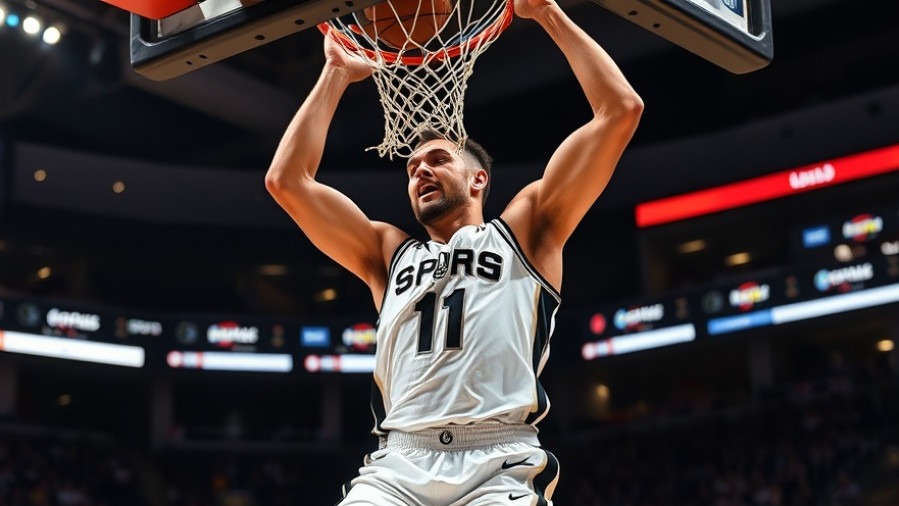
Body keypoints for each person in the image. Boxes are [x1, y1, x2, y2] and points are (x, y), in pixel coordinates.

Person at [265, 0, 643, 502]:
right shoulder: (387, 252)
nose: (420, 170)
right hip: (397, 462)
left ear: (478, 179)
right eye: (412, 166)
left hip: (499, 458)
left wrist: (548, 13)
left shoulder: (527, 230)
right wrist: (334, 73)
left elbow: (621, 111)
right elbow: (287, 181)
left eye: (438, 159)